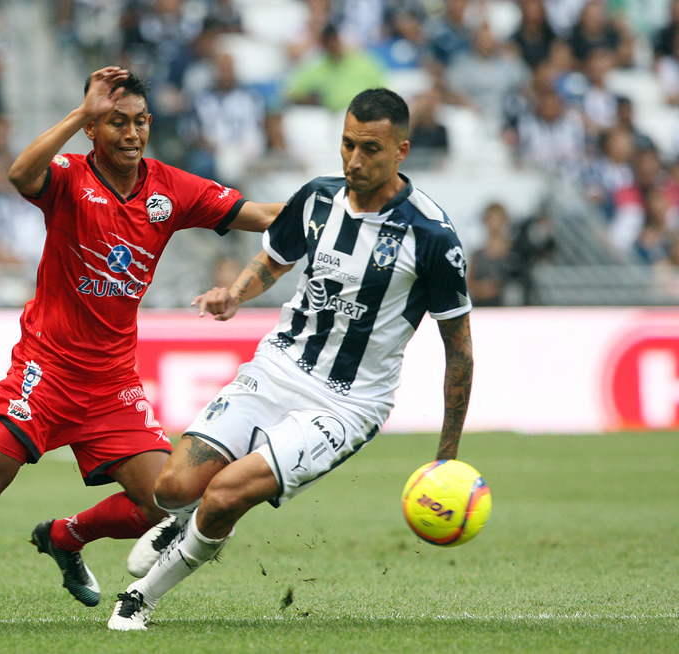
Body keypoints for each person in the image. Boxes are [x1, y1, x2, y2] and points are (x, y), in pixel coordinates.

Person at [0, 66, 283, 628]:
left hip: (111, 385)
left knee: (162, 501)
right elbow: (18, 173)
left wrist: (337, 211)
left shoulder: (171, 189)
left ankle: (63, 536)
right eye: (115, 123)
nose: (130, 135)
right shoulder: (68, 177)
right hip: (46, 370)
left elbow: (267, 217)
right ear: (92, 130)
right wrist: (82, 110)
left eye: (139, 123)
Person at [107, 87, 474, 631]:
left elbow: (459, 353)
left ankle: (140, 597)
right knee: (171, 488)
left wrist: (446, 456)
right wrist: (235, 292)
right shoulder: (318, 198)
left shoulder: (433, 237)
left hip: (346, 404)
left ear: (401, 150)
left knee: (225, 495)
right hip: (276, 368)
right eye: (347, 145)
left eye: (370, 149)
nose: (354, 160)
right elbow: (274, 259)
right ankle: (183, 521)